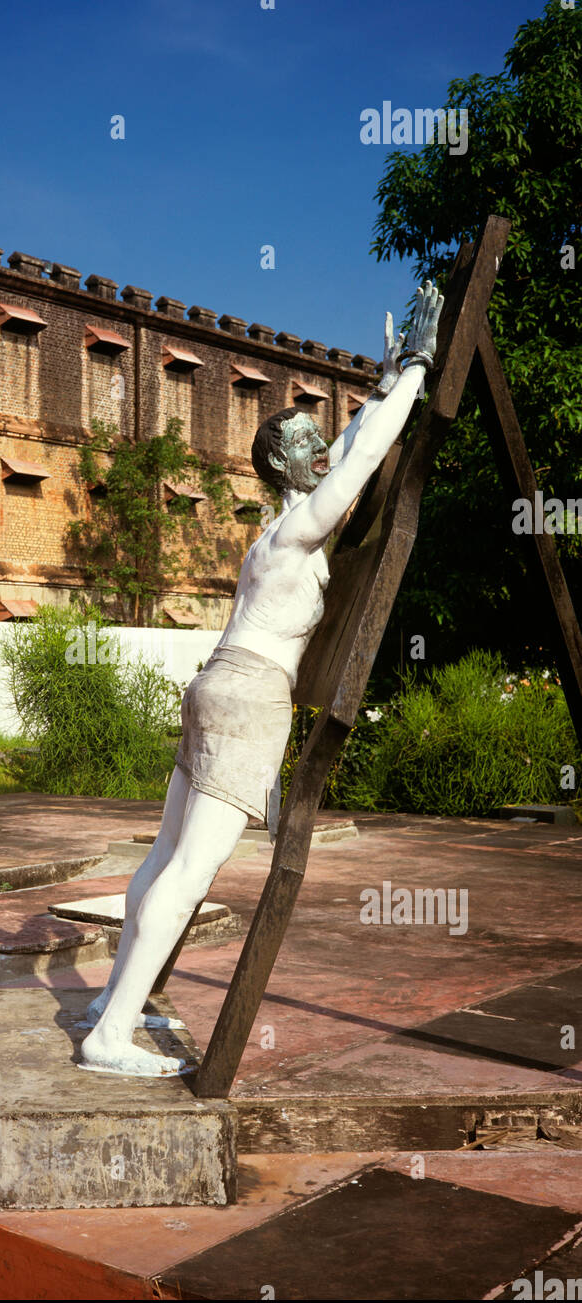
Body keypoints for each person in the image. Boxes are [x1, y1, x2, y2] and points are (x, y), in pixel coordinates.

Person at [80, 282, 443, 1076]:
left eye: (323, 436)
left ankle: (110, 1002)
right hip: (246, 702)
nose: (324, 449)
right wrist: (416, 371)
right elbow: (359, 464)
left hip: (217, 683)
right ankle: (110, 1039)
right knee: (189, 873)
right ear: (283, 465)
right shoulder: (303, 529)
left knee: (158, 860)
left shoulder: (273, 533)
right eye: (308, 443)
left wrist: (377, 387)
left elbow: (346, 453)